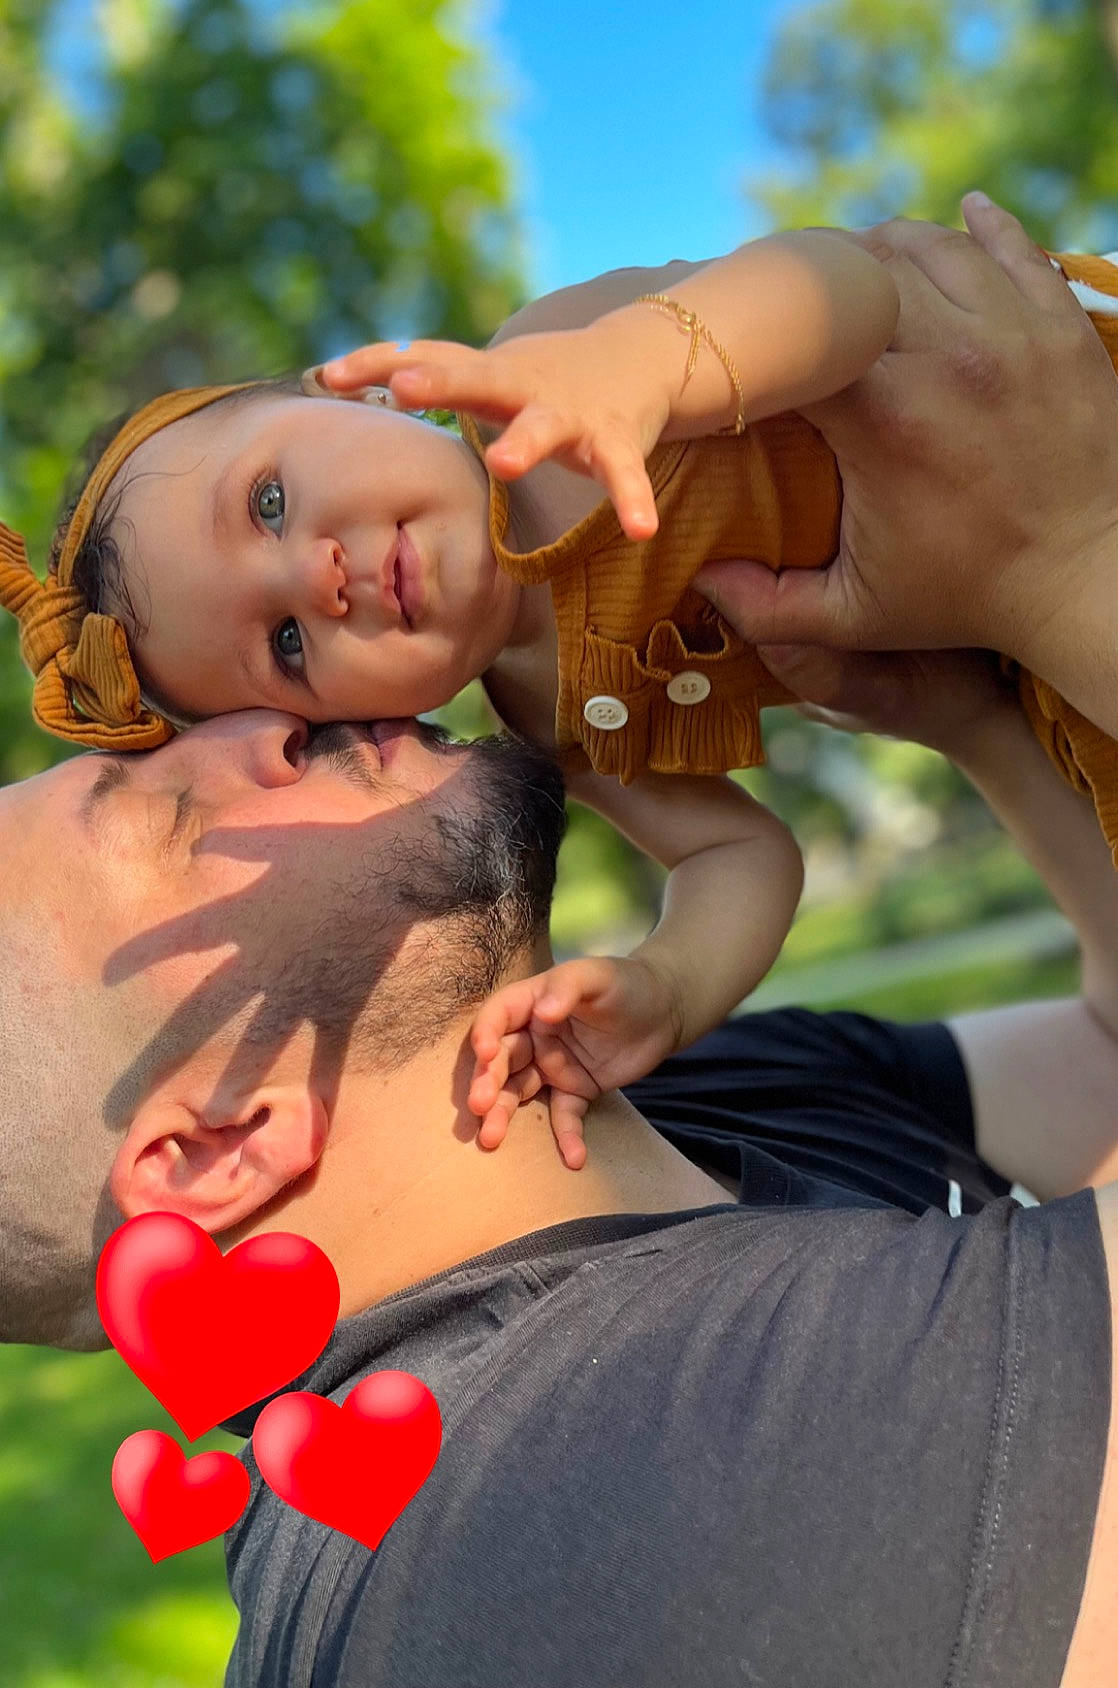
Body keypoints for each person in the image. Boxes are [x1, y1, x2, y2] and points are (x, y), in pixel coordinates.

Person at [4, 373, 1118, 1687]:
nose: (251, 725)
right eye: (161, 817)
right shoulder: (576, 1521)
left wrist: (975, 722)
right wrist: (1063, 565)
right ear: (218, 1144)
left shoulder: (698, 1100)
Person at [3, 214, 1118, 1167]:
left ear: (343, 389)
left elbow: (849, 284)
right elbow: (740, 854)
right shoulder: (551, 715)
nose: (317, 574)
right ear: (364, 721)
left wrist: (644, 357)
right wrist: (668, 986)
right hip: (1047, 666)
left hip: (1067, 411)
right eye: (287, 642)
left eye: (270, 502)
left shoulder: (555, 367)